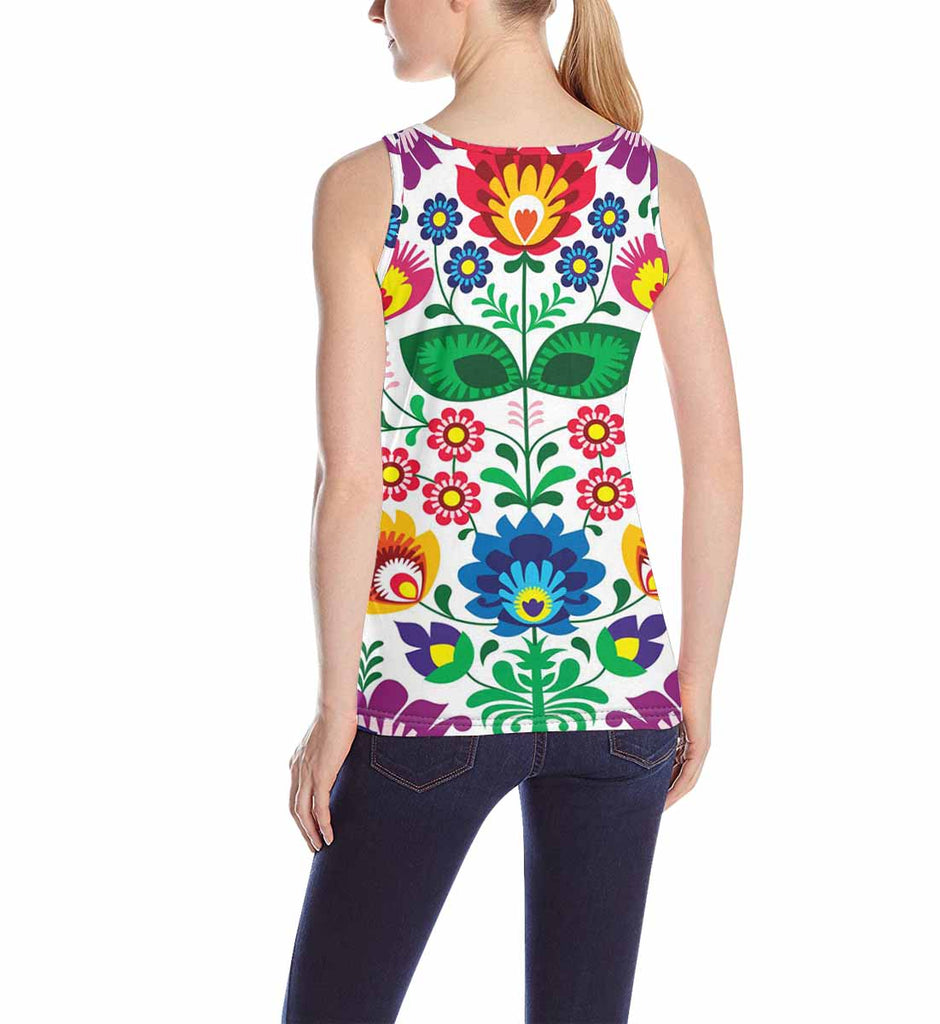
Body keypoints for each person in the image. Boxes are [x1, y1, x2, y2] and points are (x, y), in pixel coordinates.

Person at [282, 0, 742, 1020]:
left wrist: (335, 709)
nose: (373, 10)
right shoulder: (656, 185)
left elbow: (350, 479)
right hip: (619, 687)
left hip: (426, 686)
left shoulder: (370, 188)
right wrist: (695, 684)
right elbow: (716, 462)